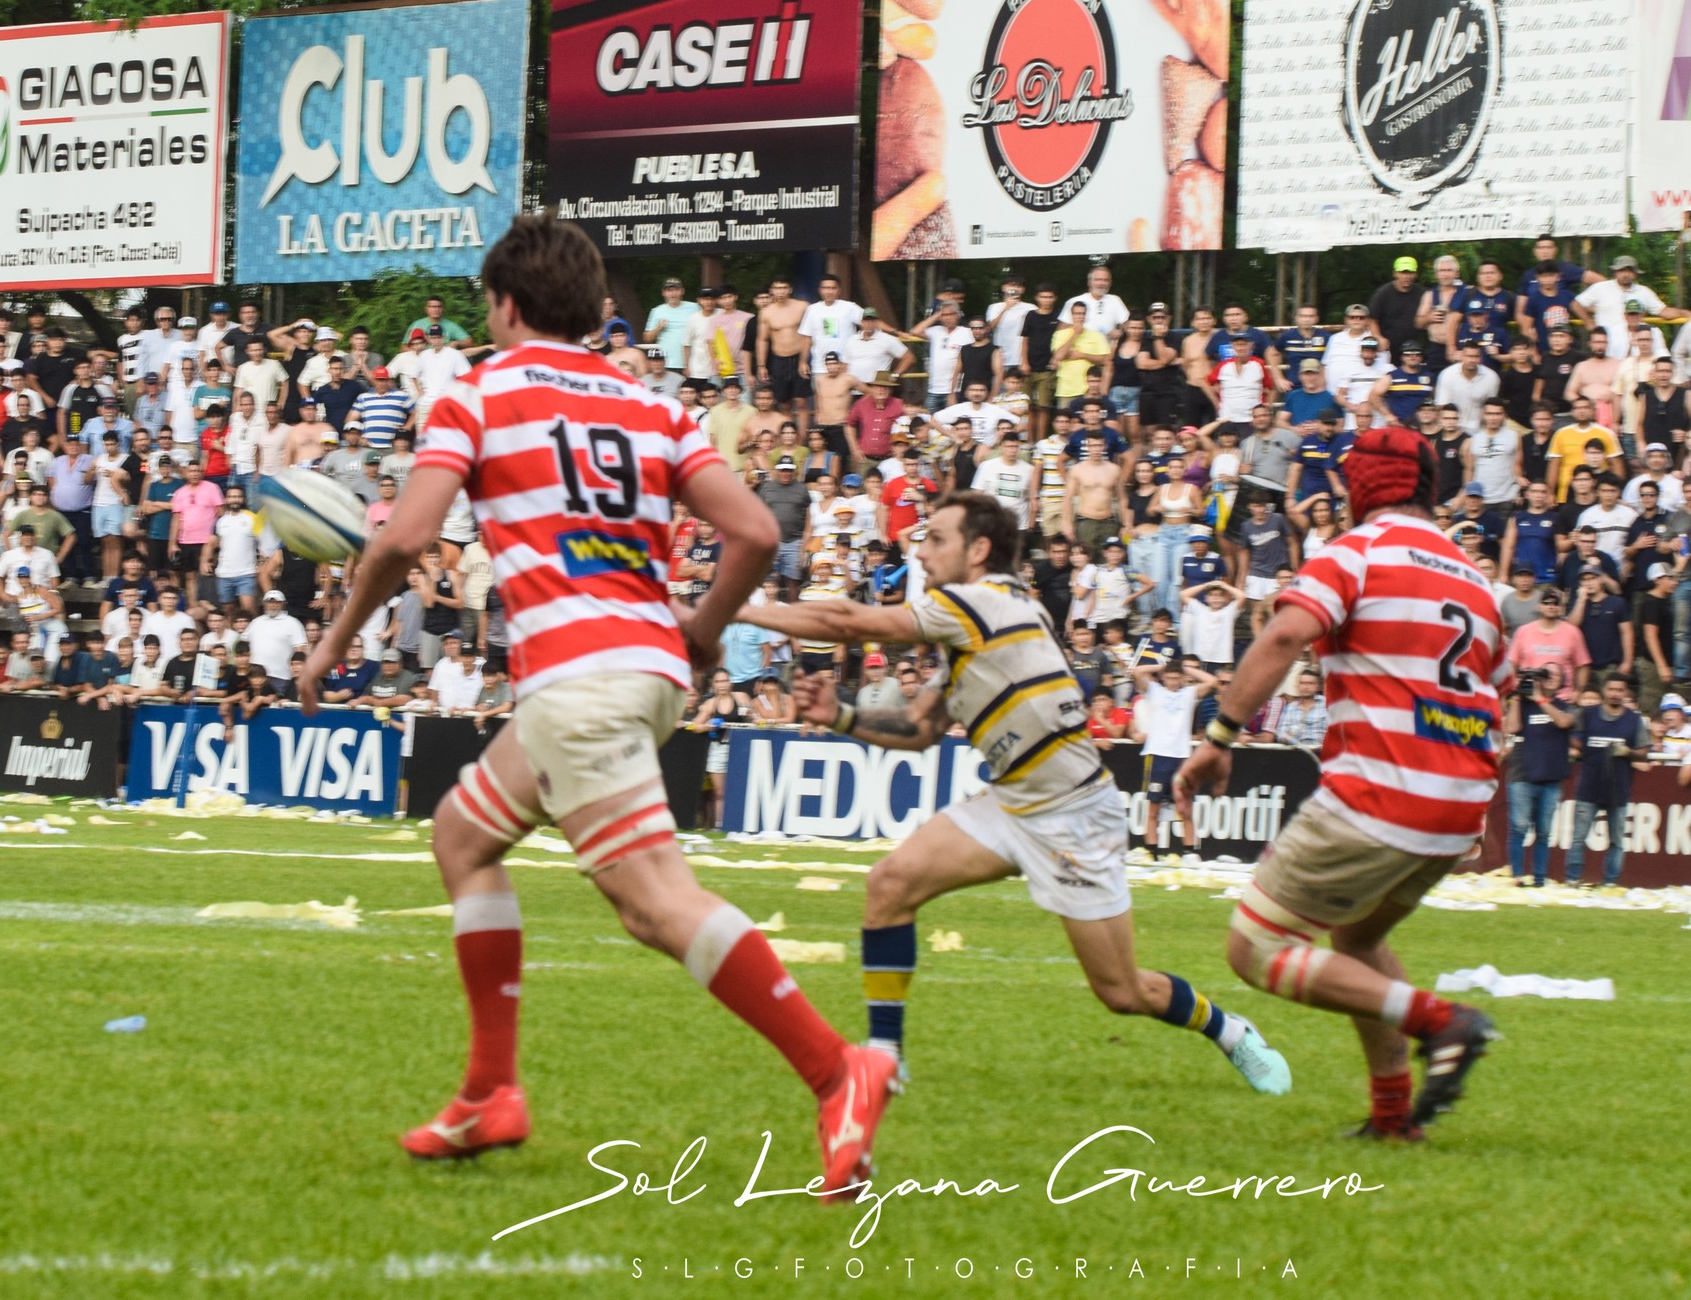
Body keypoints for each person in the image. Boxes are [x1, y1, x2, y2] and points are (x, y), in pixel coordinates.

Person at [296, 216, 893, 1186]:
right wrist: (697, 638)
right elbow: (747, 531)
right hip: (638, 667)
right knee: (463, 837)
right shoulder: (650, 404)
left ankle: (837, 1072)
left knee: (655, 906)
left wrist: (332, 640)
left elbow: (404, 541)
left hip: (577, 679)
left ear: (507, 305)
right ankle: (492, 1091)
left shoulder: (476, 392)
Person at [738, 492, 1291, 1095]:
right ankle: (885, 1057)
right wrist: (842, 717)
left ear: (978, 551)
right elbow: (922, 732)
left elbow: (845, 620)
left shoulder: (982, 601)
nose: (921, 552)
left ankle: (1230, 1031)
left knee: (1122, 992)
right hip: (1011, 803)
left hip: (1074, 812)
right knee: (890, 885)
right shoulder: (980, 617)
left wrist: (735, 608)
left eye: (937, 539)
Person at [1176, 427, 1505, 1142]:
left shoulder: (1354, 551)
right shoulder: (1476, 581)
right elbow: (1496, 689)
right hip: (1457, 805)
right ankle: (1392, 1116)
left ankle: (1445, 1023)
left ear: (1364, 487)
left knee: (1255, 946)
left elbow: (1284, 637)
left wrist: (1220, 738)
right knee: (1356, 941)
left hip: (1381, 790)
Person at [1563, 676, 1652, 886]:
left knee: (1617, 841)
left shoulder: (1633, 719)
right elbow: (1574, 737)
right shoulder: (1587, 714)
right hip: (1589, 786)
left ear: (1625, 692)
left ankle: (1610, 882)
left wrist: (1628, 751)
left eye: (1619, 690)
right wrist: (1574, 743)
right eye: (1611, 689)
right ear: (1604, 690)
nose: (1615, 693)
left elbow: (1644, 751)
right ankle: (1572, 880)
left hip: (1618, 789)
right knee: (1578, 837)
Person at [1503, 665, 1574, 886]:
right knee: (1519, 827)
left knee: (1543, 831)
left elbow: (1564, 722)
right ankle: (1517, 876)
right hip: (1522, 774)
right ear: (1539, 681)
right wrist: (1516, 697)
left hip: (1551, 777)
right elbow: (1512, 728)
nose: (1550, 677)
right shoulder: (1523, 706)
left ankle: (1540, 877)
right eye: (1546, 674)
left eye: (1556, 674)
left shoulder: (1565, 706)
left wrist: (1540, 699)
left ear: (1562, 681)